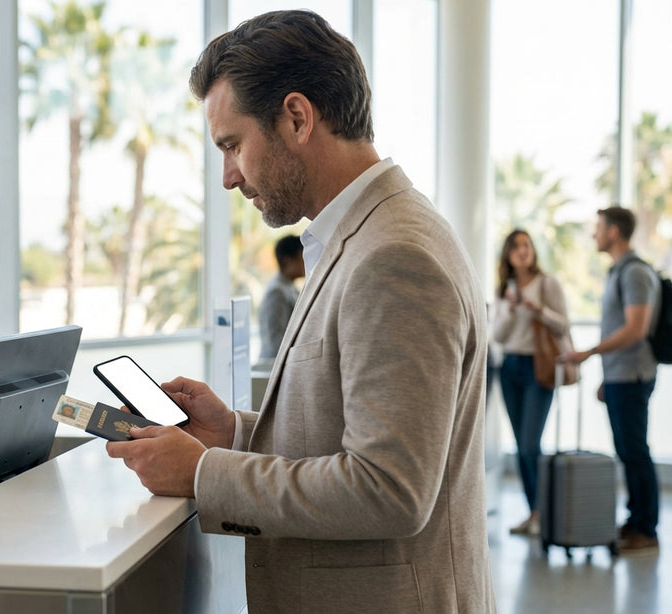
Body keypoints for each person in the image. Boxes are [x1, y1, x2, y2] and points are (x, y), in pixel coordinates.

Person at [105, 10, 495, 612]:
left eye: (233, 145)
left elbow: (389, 488)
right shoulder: (362, 236)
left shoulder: (392, 256)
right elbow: (354, 425)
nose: (229, 177)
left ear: (296, 117)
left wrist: (204, 473)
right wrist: (234, 433)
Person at [561, 206, 660, 555]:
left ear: (614, 232)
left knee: (635, 453)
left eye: (599, 227)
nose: (594, 234)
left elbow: (636, 329)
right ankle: (636, 523)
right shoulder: (620, 272)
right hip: (621, 376)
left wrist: (589, 352)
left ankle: (646, 530)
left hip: (632, 376)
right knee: (629, 451)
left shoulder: (634, 273)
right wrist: (607, 376)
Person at [490, 230, 570, 536]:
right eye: (516, 247)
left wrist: (539, 311)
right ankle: (535, 513)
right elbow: (497, 336)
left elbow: (563, 325)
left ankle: (542, 513)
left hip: (539, 368)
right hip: (509, 368)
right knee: (522, 446)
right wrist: (511, 309)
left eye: (527, 245)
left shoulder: (547, 284)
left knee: (528, 445)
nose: (522, 251)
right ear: (508, 255)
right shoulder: (503, 291)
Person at [256, 234, 305, 366]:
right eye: (302, 257)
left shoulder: (289, 287)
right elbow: (275, 340)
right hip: (273, 367)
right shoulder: (277, 292)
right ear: (287, 261)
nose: (306, 261)